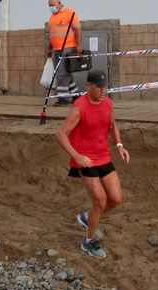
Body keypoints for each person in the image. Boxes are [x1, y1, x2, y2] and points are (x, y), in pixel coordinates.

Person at [54, 70, 129, 259]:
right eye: (99, 87)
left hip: (104, 157)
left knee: (116, 199)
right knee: (100, 201)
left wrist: (119, 145)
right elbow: (60, 134)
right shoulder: (79, 107)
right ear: (89, 86)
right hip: (85, 161)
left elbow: (113, 125)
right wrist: (77, 156)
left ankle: (88, 218)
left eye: (105, 87)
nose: (103, 90)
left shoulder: (108, 103)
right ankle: (89, 241)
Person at [47, 0, 83, 106]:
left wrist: (79, 45)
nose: (51, 7)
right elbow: (52, 35)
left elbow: (78, 29)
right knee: (66, 72)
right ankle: (76, 95)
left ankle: (63, 99)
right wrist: (49, 49)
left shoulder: (70, 12)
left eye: (53, 5)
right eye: (49, 6)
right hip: (56, 49)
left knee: (61, 73)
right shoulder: (52, 16)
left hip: (67, 47)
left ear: (59, 3)